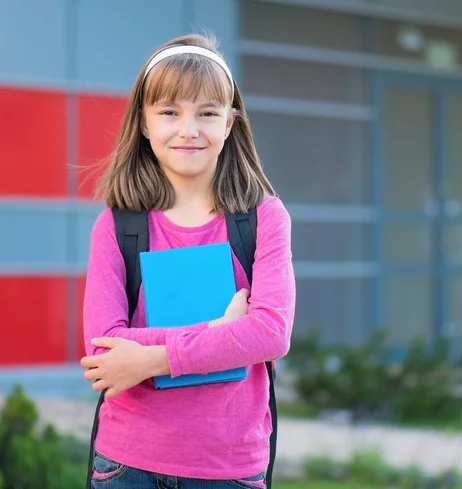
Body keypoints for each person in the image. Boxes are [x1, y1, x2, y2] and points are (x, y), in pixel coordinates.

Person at [79, 33, 295, 489]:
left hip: (228, 470)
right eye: (169, 112)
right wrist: (220, 332)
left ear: (230, 123)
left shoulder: (263, 219)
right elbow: (104, 351)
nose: (189, 129)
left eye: (207, 113)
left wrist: (153, 358)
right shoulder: (118, 226)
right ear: (143, 122)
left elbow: (271, 333)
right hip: (125, 466)